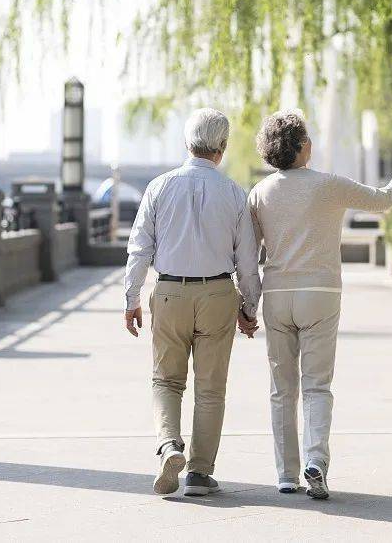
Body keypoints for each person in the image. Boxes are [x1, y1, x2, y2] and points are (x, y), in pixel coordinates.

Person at [247, 110, 392, 499]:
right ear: (303, 146)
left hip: (276, 295)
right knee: (318, 385)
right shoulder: (329, 185)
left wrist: (247, 305)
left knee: (281, 388)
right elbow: (383, 200)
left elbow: (249, 255)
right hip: (321, 294)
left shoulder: (260, 193)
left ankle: (286, 475)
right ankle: (315, 461)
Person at [124, 107, 262, 497]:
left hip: (169, 291)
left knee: (166, 380)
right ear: (221, 148)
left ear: (187, 143)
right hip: (218, 293)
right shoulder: (235, 193)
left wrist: (131, 298)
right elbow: (247, 261)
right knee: (211, 387)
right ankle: (200, 472)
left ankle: (169, 445)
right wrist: (250, 309)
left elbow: (139, 249)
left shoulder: (158, 187)